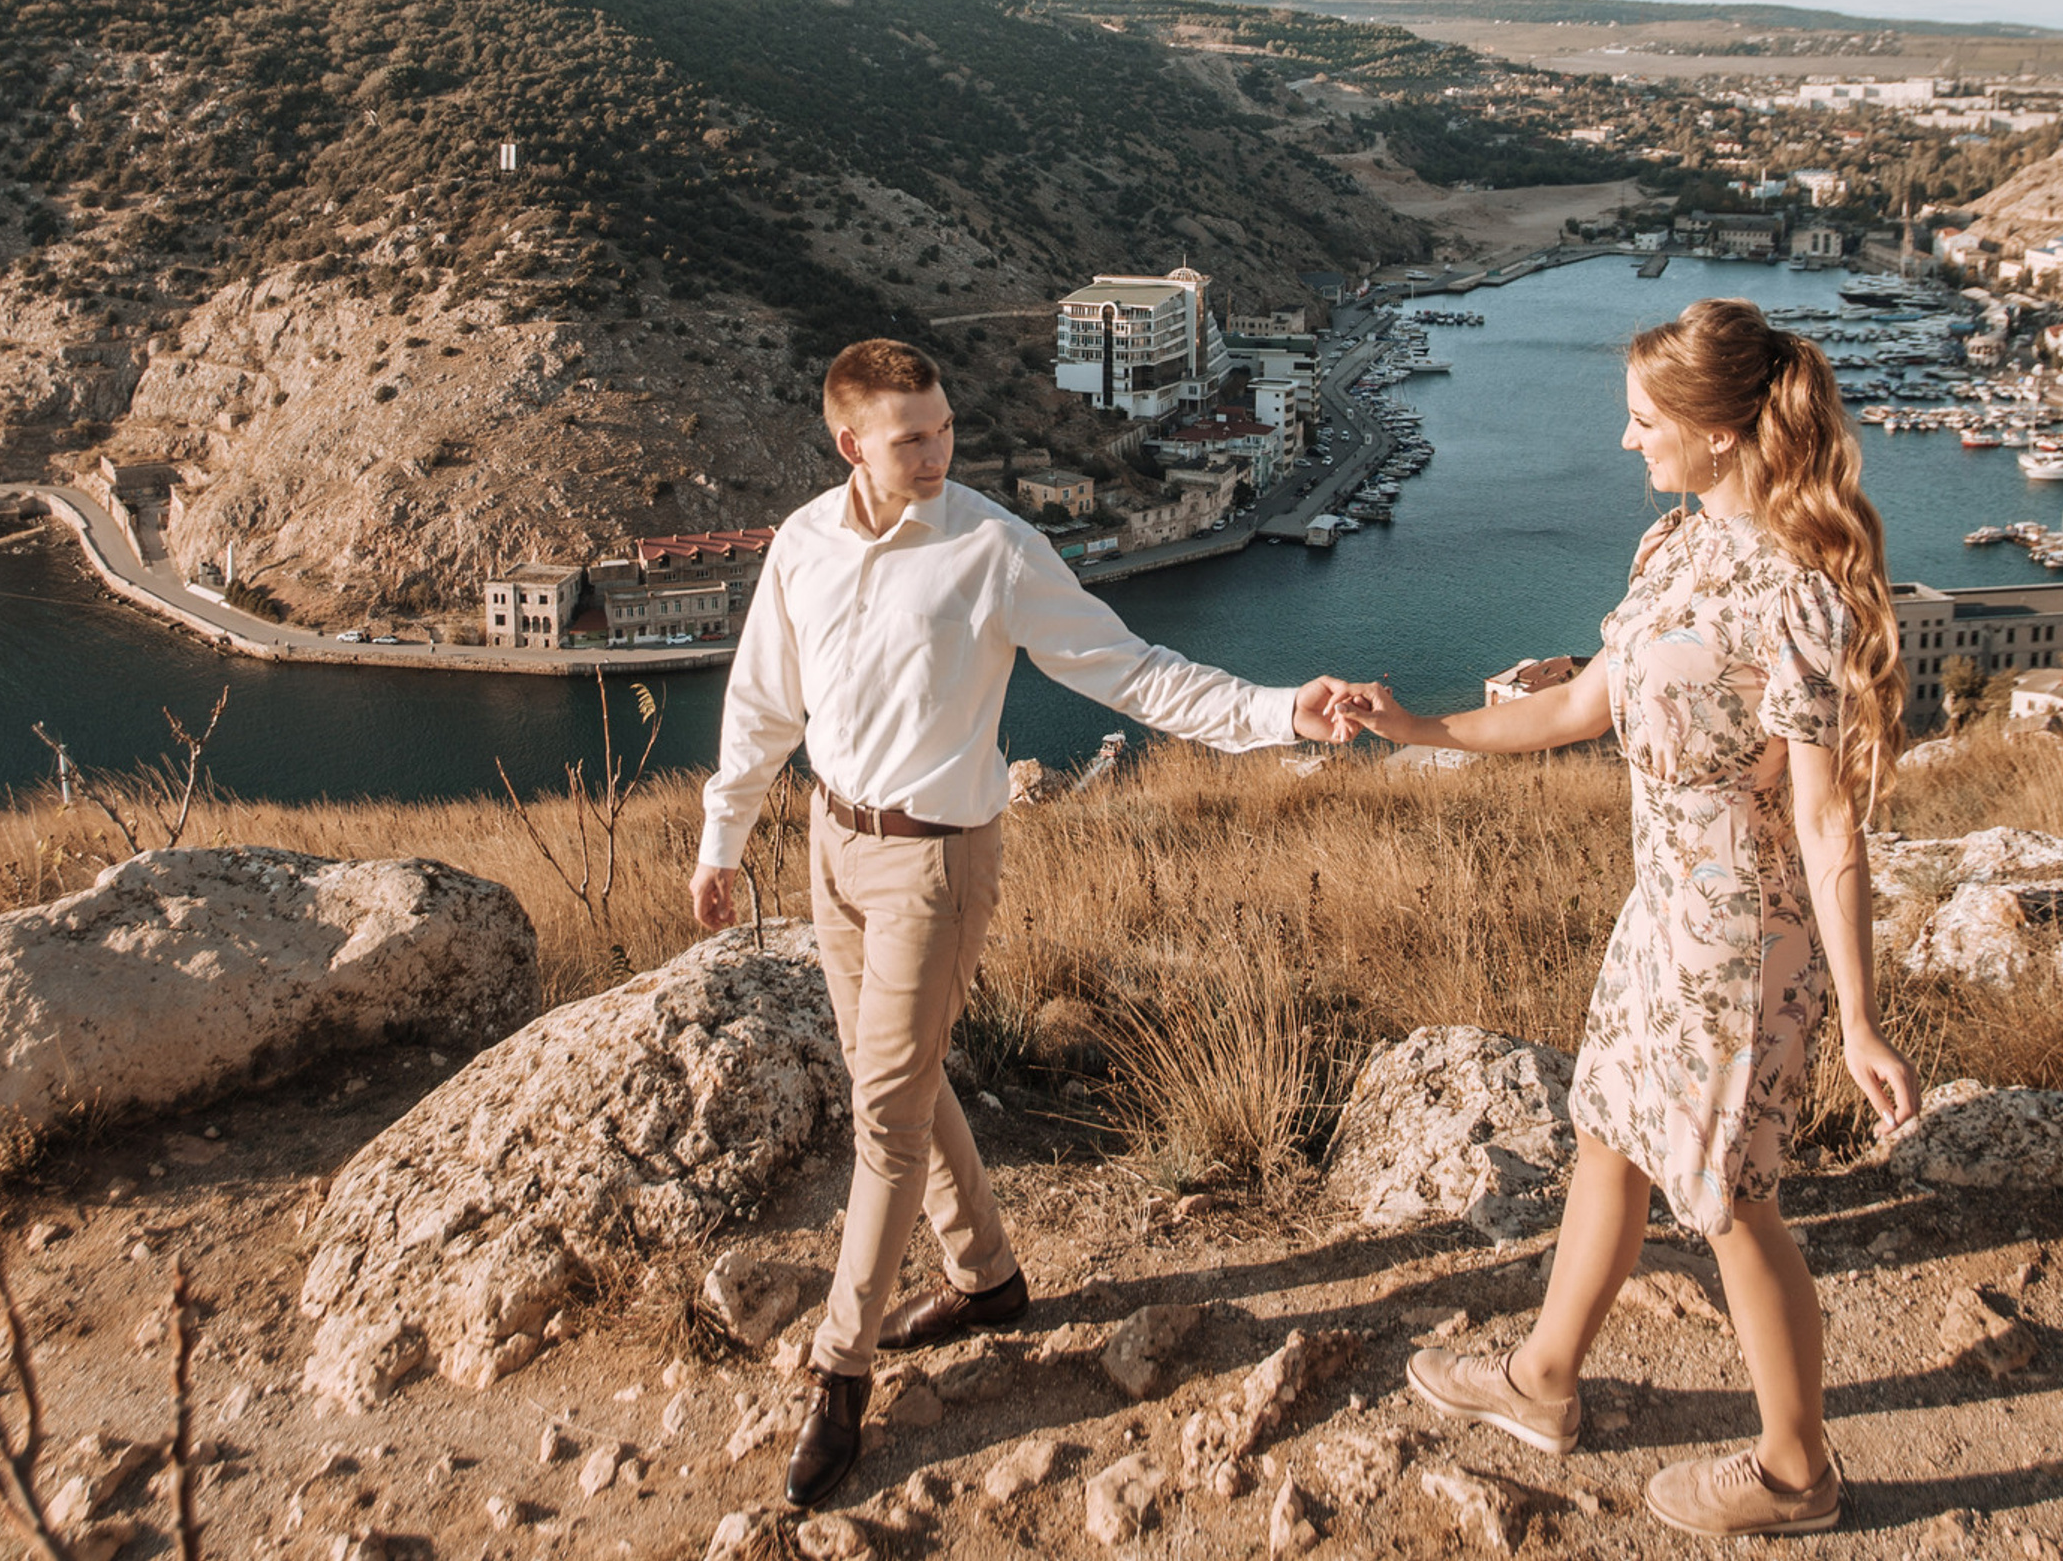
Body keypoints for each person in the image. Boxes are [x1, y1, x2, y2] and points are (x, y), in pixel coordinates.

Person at [691, 336, 1368, 1513]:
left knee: (884, 1121)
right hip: (828, 846)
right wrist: (720, 837)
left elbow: (1132, 673)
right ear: (849, 442)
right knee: (889, 1080)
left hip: (936, 867)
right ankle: (988, 1278)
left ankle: (839, 1372)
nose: (940, 450)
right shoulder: (801, 542)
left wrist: (1278, 712)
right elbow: (760, 703)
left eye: (946, 427)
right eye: (913, 436)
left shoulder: (993, 547)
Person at [1345, 297, 1920, 1540]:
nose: (1624, 441)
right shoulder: (1675, 545)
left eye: (1645, 420)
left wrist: (1862, 1016)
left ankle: (1793, 1472)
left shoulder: (1797, 596)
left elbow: (1826, 825)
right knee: (1606, 1129)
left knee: (1727, 1196)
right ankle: (1543, 1381)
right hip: (1658, 909)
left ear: (1720, 433)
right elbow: (1584, 708)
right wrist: (1422, 728)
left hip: (1734, 938)